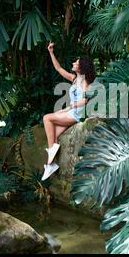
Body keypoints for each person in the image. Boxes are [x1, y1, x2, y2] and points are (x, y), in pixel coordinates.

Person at [41, 42, 95, 181]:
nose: (73, 63)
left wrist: (72, 105)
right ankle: (50, 164)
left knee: (47, 118)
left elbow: (85, 100)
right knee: (54, 135)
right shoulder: (75, 79)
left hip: (75, 114)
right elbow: (58, 68)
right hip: (71, 111)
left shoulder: (84, 83)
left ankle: (51, 152)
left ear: (81, 67)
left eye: (76, 63)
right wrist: (51, 52)